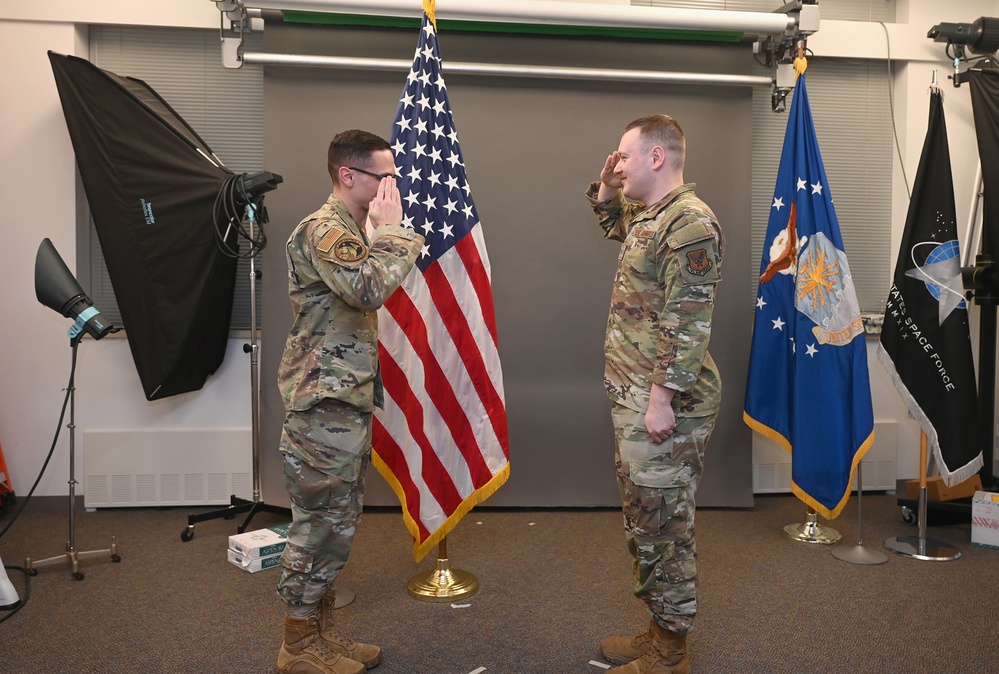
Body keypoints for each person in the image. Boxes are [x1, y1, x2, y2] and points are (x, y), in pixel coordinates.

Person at [275, 129, 424, 674]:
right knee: (317, 525)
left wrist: (380, 234)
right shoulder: (324, 230)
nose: (393, 185)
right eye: (384, 175)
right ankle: (296, 647)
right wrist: (395, 235)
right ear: (348, 176)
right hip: (322, 404)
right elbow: (366, 289)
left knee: (337, 522)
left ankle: (321, 633)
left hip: (343, 400)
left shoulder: (350, 229)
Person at [585, 115, 724, 674]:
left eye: (624, 157)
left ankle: (670, 654)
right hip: (636, 396)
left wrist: (661, 399)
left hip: (665, 403)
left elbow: (687, 320)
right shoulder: (651, 216)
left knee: (665, 527)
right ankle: (658, 631)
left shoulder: (690, 224)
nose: (618, 165)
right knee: (646, 520)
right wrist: (605, 187)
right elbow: (614, 223)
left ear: (657, 158)